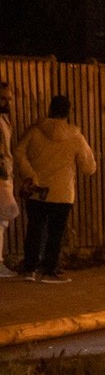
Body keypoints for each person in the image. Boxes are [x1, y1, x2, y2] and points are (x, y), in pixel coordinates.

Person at [13, 94, 97, 284]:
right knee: (55, 233)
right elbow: (88, 167)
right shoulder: (75, 136)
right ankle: (48, 270)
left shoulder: (35, 130)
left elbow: (18, 152)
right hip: (62, 192)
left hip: (37, 190)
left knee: (34, 229)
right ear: (68, 112)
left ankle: (29, 269)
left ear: (50, 109)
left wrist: (30, 174)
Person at [0, 82, 17, 278]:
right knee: (4, 217)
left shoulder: (4, 118)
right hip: (2, 175)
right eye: (3, 98)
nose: (7, 102)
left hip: (5, 172)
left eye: (8, 98)